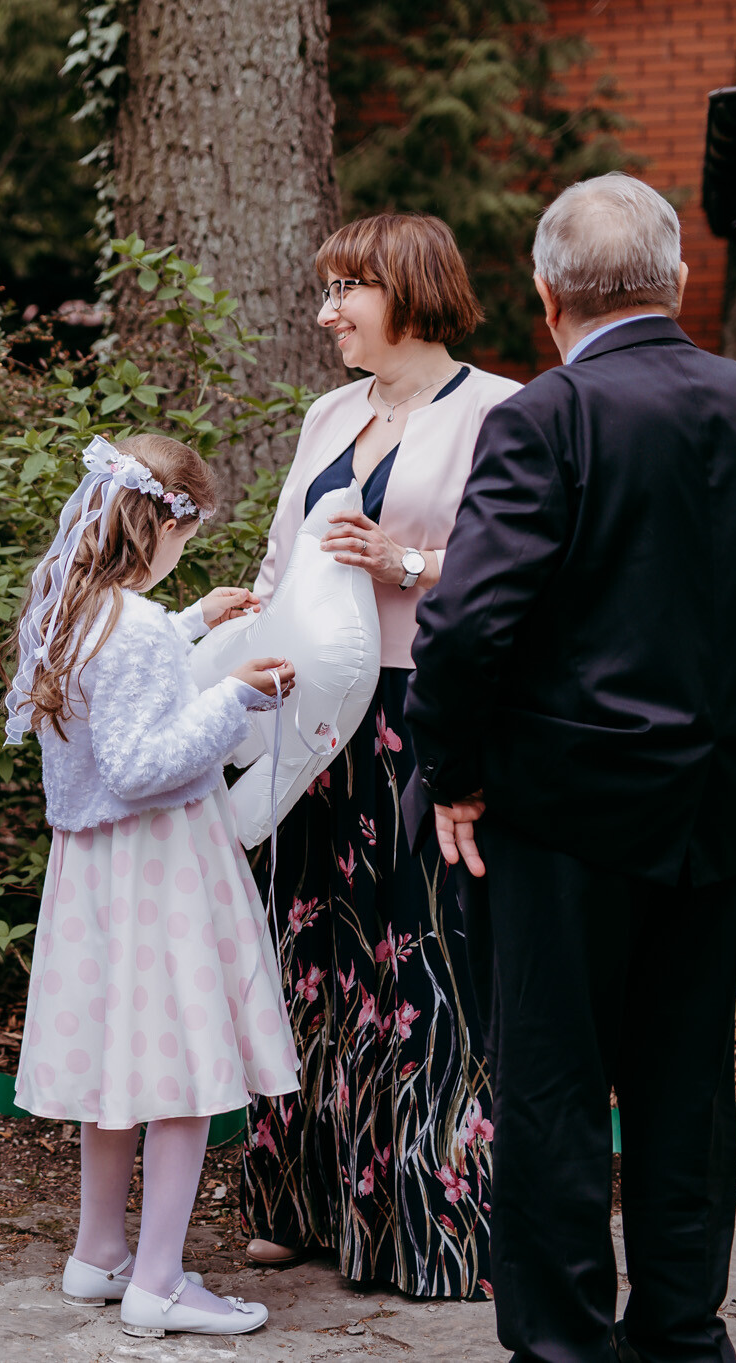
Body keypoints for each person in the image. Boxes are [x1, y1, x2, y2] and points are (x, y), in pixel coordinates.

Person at [406, 173, 736, 1362]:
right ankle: (679, 1335)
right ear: (678, 281)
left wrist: (450, 770)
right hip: (711, 811)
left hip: (557, 817)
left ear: (545, 292)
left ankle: (564, 1345)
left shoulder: (544, 417)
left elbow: (465, 625)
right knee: (684, 1084)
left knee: (551, 1086)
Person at [237, 213, 520, 1300]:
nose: (327, 313)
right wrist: (247, 630)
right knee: (306, 946)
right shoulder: (327, 413)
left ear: (408, 290)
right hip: (313, 717)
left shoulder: (498, 411)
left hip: (419, 712)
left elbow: (522, 565)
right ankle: (298, 1200)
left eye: (346, 289)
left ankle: (428, 1223)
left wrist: (405, 561)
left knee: (420, 958)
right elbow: (282, 555)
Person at [3, 432, 302, 1339]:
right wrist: (235, 696)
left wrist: (196, 622)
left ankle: (100, 1251)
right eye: (188, 535)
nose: (186, 551)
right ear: (165, 525)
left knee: (119, 1068)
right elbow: (139, 764)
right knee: (180, 1070)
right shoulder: (129, 626)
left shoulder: (75, 607)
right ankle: (161, 1282)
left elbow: (123, 674)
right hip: (157, 868)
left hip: (95, 876)